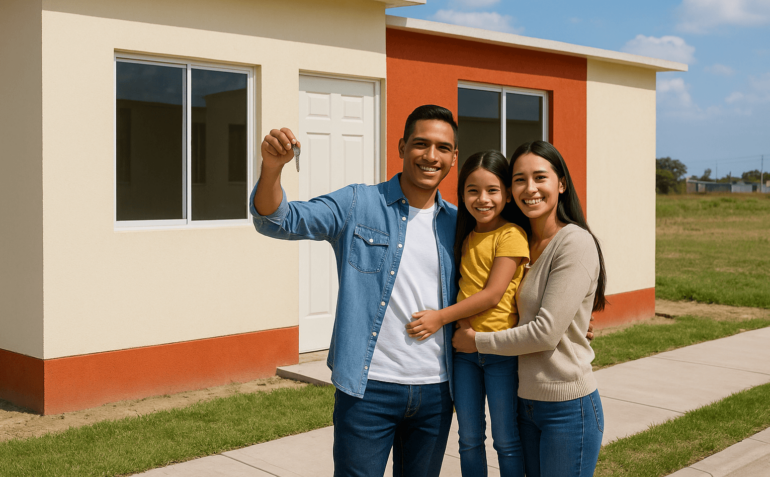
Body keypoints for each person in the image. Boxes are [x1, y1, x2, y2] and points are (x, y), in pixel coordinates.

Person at [250, 105, 460, 477]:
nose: (431, 156)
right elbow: (279, 220)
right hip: (368, 391)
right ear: (401, 147)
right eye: (421, 144)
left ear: (453, 157)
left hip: (437, 391)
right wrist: (272, 168)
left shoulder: (460, 223)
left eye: (442, 148)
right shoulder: (358, 203)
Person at [452, 140, 607, 477]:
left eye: (540, 177)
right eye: (520, 179)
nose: (530, 188)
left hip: (567, 406)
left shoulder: (574, 242)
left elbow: (545, 333)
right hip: (527, 403)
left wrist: (475, 341)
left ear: (561, 183)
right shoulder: (520, 239)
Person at [405, 150, 529, 477]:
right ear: (461, 194)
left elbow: (492, 295)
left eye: (492, 190)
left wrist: (440, 317)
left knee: (506, 440)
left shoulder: (511, 235)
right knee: (469, 439)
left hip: (500, 352)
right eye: (472, 190)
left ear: (506, 194)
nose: (482, 199)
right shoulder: (466, 235)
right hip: (464, 355)